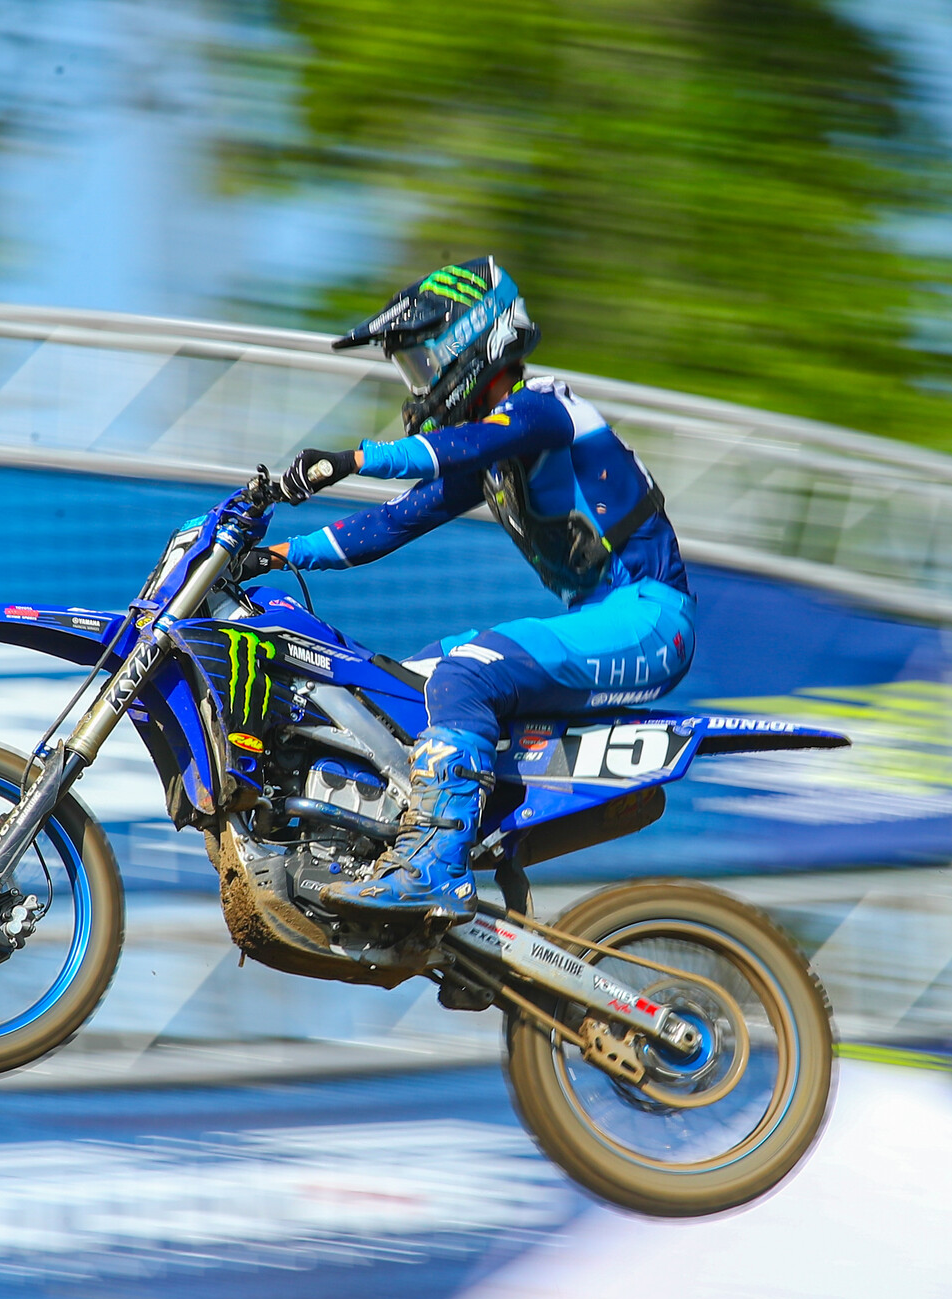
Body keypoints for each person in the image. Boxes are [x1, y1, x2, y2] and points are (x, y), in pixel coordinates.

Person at [259, 257, 696, 921]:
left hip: (651, 621)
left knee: (466, 675)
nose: (419, 386)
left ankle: (436, 868)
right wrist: (273, 554)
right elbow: (390, 522)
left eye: (422, 364)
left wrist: (351, 458)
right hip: (608, 616)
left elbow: (456, 447)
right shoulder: (489, 451)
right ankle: (421, 880)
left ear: (472, 342)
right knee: (406, 684)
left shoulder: (545, 410)